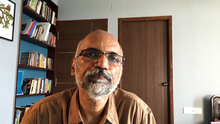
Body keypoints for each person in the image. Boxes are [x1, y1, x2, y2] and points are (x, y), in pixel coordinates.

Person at [21, 30, 156, 124]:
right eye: (91, 54)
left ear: (120, 72)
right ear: (73, 66)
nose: (102, 64)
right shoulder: (40, 114)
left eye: (113, 58)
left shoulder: (138, 114)